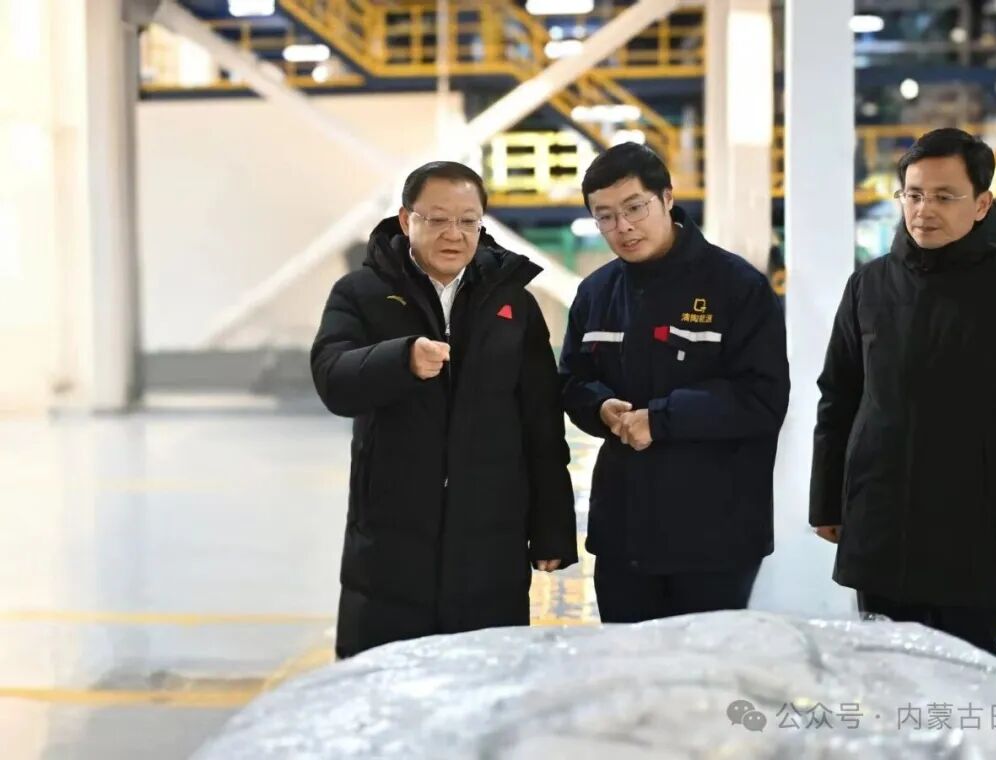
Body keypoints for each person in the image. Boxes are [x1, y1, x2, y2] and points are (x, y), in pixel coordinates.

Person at [809, 128, 996, 658]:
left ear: (982, 204)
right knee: (882, 669)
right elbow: (838, 397)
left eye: (945, 197)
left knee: (966, 674)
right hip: (879, 515)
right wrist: (827, 501)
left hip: (973, 524)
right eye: (914, 194)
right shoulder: (868, 285)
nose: (924, 210)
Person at [311, 161, 577, 658]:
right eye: (437, 219)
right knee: (389, 682)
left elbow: (541, 423)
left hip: (491, 543)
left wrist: (552, 529)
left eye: (468, 221)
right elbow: (332, 379)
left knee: (485, 684)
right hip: (391, 543)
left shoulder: (514, 304)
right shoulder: (360, 294)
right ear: (406, 219)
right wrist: (401, 360)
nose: (454, 234)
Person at [559, 142, 790, 623]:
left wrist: (660, 420)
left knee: (706, 666)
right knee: (628, 664)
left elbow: (762, 397)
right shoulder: (596, 293)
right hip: (624, 534)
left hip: (714, 537)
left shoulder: (736, 287)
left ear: (666, 197)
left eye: (634, 208)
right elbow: (572, 380)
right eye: (605, 217)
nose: (623, 227)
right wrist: (599, 408)